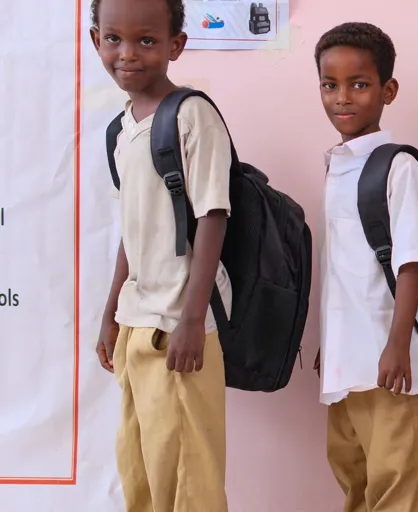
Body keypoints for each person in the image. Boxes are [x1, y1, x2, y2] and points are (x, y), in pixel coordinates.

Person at [90, 0, 232, 510]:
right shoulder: (121, 128)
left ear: (176, 45)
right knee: (141, 471)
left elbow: (213, 216)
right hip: (135, 325)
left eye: (146, 41)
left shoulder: (193, 115)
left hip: (178, 327)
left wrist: (193, 319)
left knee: (188, 482)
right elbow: (136, 230)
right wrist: (110, 314)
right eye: (114, 39)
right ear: (95, 41)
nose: (127, 54)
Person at [315, 22, 418, 512]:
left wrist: (398, 346)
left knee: (398, 487)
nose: (342, 98)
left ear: (388, 90)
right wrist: (331, 344)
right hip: (347, 364)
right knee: (356, 482)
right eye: (330, 85)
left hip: (391, 361)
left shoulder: (398, 167)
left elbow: (412, 263)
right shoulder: (335, 164)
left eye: (359, 84)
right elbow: (342, 269)